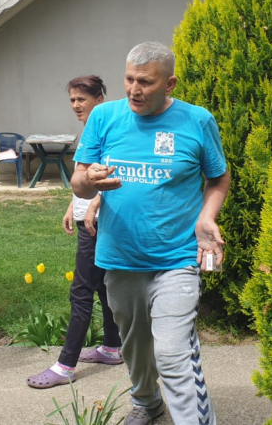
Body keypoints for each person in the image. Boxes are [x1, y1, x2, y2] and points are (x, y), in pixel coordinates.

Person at [71, 42, 230, 425]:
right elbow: (78, 182)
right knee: (136, 344)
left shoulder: (197, 121)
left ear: (170, 84)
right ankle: (146, 400)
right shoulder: (104, 117)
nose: (134, 90)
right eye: (129, 79)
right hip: (120, 258)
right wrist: (89, 181)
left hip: (176, 258)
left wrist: (206, 217)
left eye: (145, 81)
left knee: (173, 353)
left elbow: (218, 177)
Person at [26, 76, 124, 389]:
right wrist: (73, 206)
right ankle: (112, 346)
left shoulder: (108, 125)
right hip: (86, 217)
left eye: (82, 99)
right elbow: (83, 175)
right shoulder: (92, 128)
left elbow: (115, 171)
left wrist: (94, 204)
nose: (76, 105)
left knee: (81, 290)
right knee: (102, 287)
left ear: (99, 97)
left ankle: (65, 365)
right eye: (72, 100)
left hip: (96, 222)